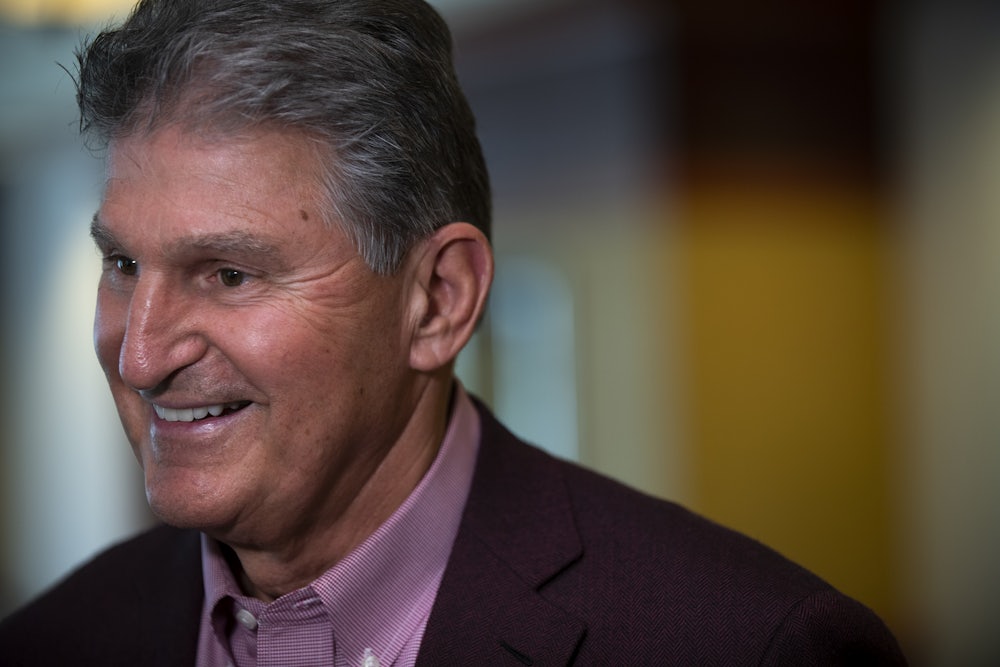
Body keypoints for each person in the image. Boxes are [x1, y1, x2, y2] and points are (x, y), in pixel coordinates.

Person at [0, 0, 906, 664]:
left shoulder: (745, 644)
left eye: (229, 274)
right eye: (123, 265)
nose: (141, 352)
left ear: (438, 300)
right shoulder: (56, 640)